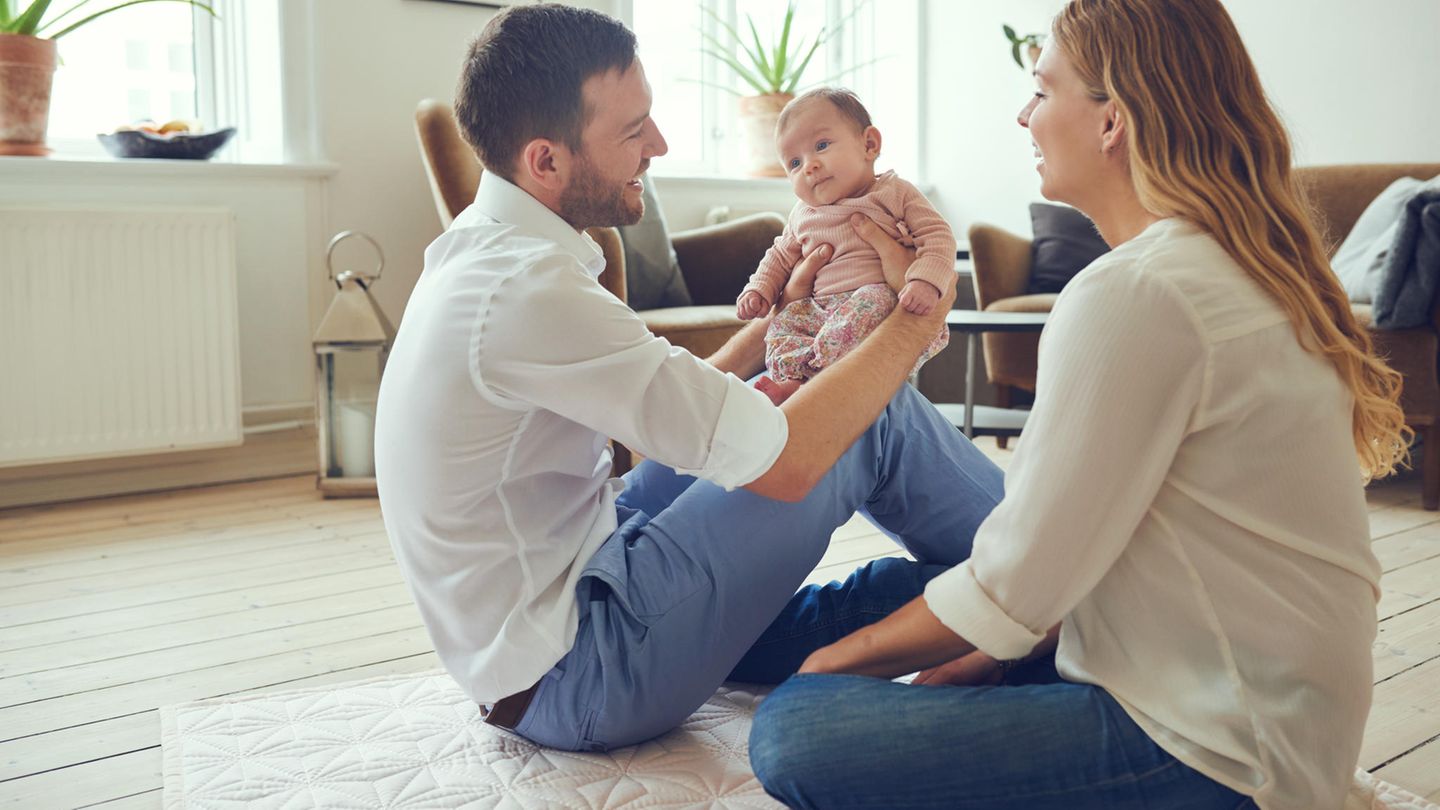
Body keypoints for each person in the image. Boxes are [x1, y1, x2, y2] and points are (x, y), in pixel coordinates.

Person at [746, 0, 1409, 808]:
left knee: (796, 728)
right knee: (895, 587)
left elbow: (1018, 581)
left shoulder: (1141, 291)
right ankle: (726, 641)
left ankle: (751, 654)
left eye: (1041, 89)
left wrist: (829, 670)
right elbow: (1079, 552)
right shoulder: (1219, 267)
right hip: (1231, 680)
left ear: (1111, 121)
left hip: (1217, 746)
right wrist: (983, 645)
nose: (1023, 114)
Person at [373, 3, 1004, 753]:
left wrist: (783, 318)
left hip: (575, 588)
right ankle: (1053, 580)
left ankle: (996, 600)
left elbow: (670, 406)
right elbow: (791, 461)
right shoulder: (526, 290)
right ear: (546, 161)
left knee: (797, 400)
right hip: (584, 669)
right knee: (867, 414)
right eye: (633, 131)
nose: (660, 146)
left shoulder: (483, 253)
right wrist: (913, 321)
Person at [736, 88, 954, 405]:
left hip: (874, 300)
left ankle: (821, 381)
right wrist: (759, 289)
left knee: (872, 301)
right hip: (818, 308)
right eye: (794, 163)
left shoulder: (894, 192)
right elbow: (779, 256)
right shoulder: (803, 214)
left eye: (821, 146)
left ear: (869, 145)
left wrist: (925, 281)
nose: (809, 166)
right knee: (784, 324)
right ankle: (793, 381)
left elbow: (937, 235)